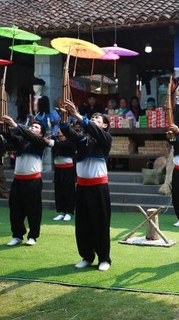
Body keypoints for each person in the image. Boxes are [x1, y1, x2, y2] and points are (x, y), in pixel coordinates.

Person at [61, 101, 112, 272]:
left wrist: (77, 115)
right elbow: (68, 131)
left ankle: (104, 258)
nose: (94, 119)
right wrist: (64, 117)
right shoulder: (82, 140)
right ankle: (87, 256)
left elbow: (93, 130)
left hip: (99, 187)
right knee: (83, 224)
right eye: (92, 117)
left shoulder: (105, 139)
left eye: (98, 118)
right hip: (82, 187)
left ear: (105, 125)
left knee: (100, 223)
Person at [1, 115, 48, 247]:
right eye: (32, 126)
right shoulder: (21, 141)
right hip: (18, 180)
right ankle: (17, 235)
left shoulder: (40, 142)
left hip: (33, 181)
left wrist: (15, 125)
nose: (33, 128)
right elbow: (9, 137)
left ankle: (33, 236)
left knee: (33, 210)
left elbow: (30, 137)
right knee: (15, 209)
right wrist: (4, 126)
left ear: (42, 133)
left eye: (37, 127)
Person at [44, 129, 76, 222]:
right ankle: (61, 212)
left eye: (61, 130)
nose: (58, 131)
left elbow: (61, 145)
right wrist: (48, 140)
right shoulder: (55, 141)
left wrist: (50, 141)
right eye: (58, 130)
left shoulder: (70, 141)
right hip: (58, 169)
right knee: (59, 190)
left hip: (68, 169)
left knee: (68, 190)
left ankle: (69, 212)